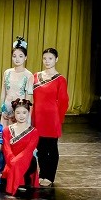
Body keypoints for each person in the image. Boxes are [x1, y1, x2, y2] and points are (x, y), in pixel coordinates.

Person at [31, 48, 69, 188]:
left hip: (52, 118)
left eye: (50, 58)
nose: (47, 61)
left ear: (56, 59)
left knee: (51, 148)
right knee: (40, 148)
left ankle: (50, 176)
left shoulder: (60, 79)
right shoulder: (36, 76)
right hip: (38, 117)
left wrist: (58, 119)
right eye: (45, 58)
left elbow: (64, 101)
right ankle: (42, 174)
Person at [2, 98, 40, 197]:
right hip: (11, 160)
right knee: (9, 171)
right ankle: (15, 184)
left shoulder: (34, 131)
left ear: (28, 113)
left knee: (18, 167)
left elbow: (28, 151)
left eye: (24, 112)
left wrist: (16, 162)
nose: (21, 115)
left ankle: (13, 187)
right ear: (14, 113)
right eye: (18, 113)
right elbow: (6, 148)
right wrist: (12, 160)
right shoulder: (7, 130)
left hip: (26, 160)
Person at [0, 36, 34, 128]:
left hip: (20, 112)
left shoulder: (29, 75)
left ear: (25, 57)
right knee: (5, 134)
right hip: (6, 110)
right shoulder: (7, 72)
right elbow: (3, 92)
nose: (17, 59)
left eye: (20, 56)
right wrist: (2, 110)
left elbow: (28, 99)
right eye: (14, 56)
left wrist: (19, 113)